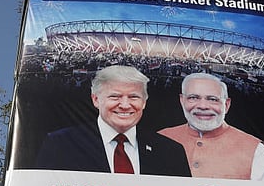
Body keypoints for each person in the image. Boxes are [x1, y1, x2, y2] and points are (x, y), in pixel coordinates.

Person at [35, 65, 191, 176]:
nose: (124, 105)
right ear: (96, 100)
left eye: (133, 97)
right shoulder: (60, 145)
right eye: (114, 96)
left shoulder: (171, 151)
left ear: (144, 102)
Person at [158, 73, 264, 181]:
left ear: (226, 105)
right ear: (182, 101)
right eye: (193, 98)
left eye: (212, 99)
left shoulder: (255, 150)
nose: (203, 106)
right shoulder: (158, 140)